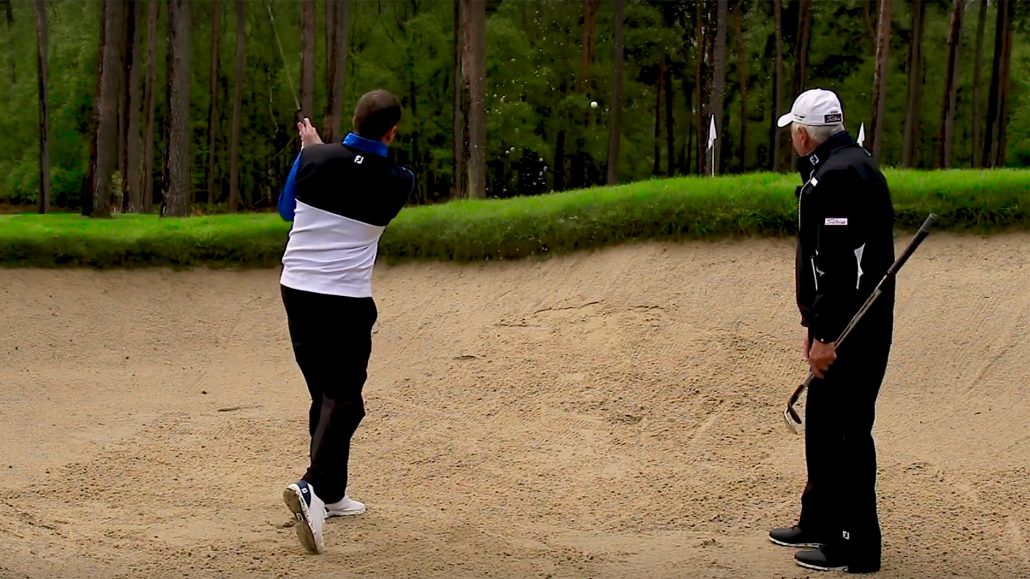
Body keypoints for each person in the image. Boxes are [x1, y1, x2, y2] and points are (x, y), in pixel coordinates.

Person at [277, 89, 414, 554]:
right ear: (391, 132)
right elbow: (360, 172)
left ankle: (332, 494)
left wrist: (310, 151)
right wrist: (319, 154)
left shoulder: (313, 159)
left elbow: (287, 211)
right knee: (347, 401)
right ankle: (313, 487)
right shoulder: (399, 180)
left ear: (353, 119)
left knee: (326, 394)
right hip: (344, 301)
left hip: (296, 289)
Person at [768, 88, 895, 574]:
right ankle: (819, 520)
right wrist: (813, 324)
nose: (792, 140)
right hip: (841, 322)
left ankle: (854, 546)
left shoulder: (838, 175)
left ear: (803, 135)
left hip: (853, 329)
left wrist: (824, 335)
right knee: (823, 423)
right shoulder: (846, 164)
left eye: (793, 132)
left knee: (846, 433)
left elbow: (838, 266)